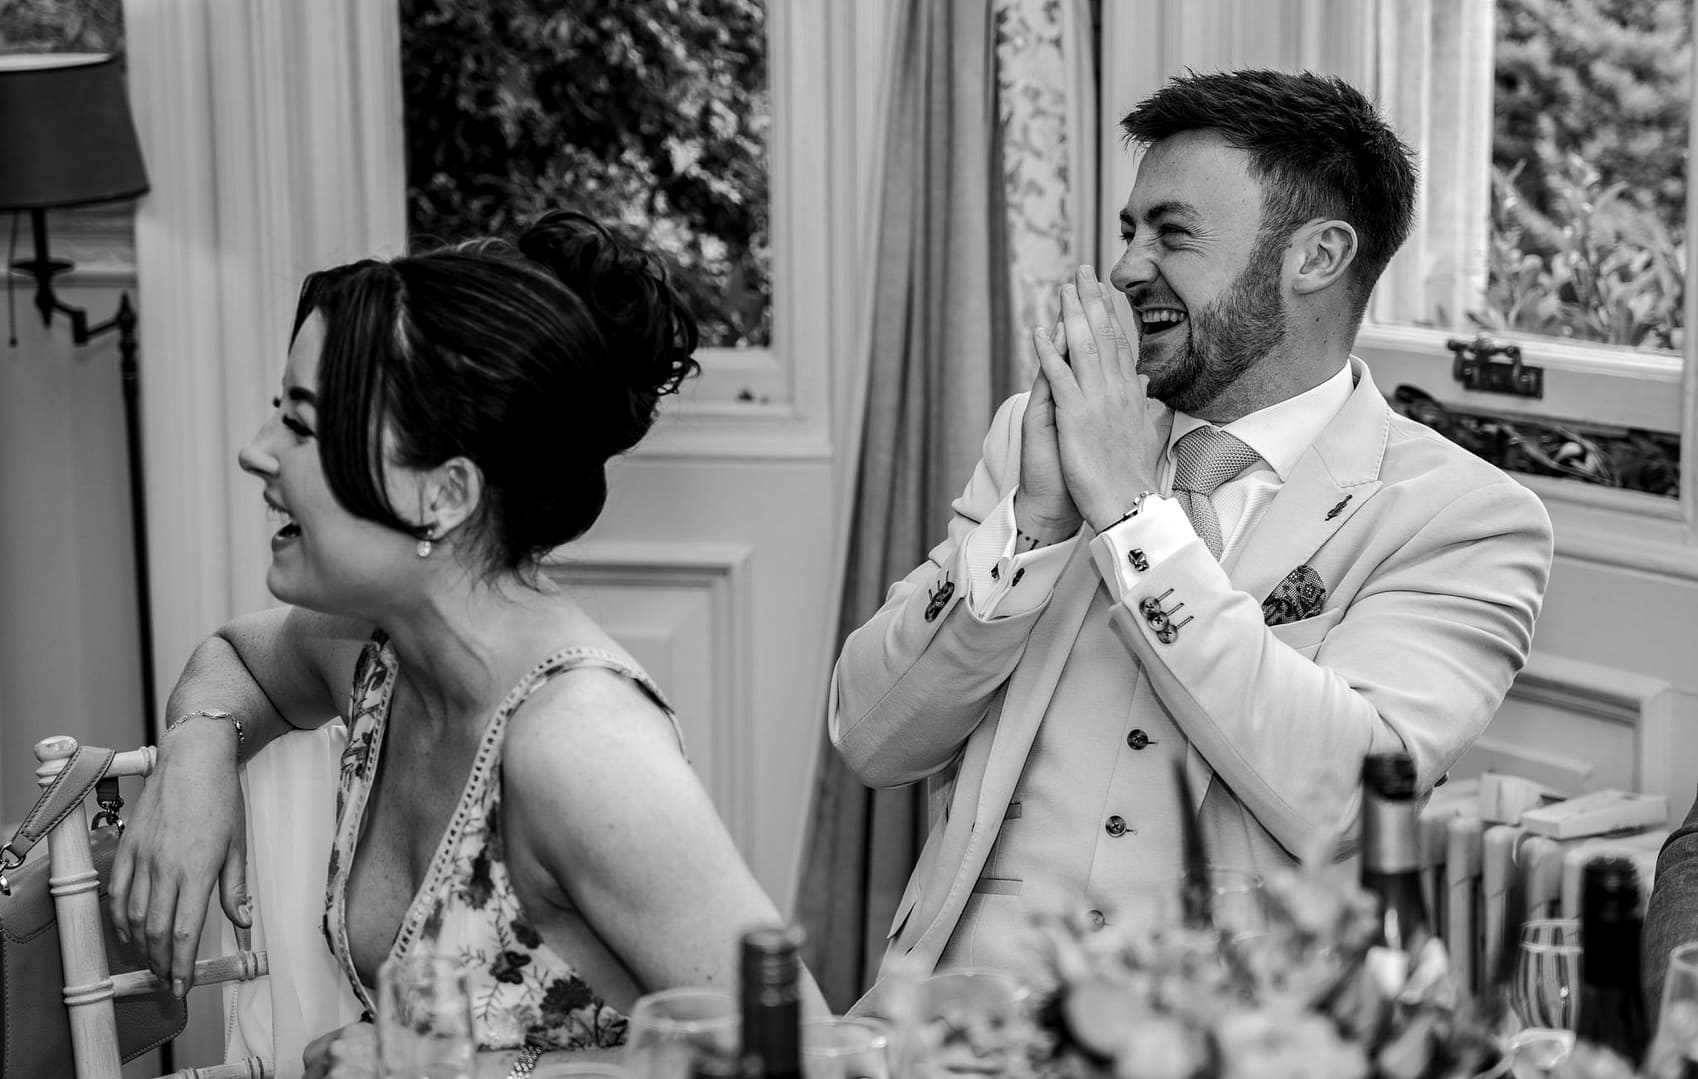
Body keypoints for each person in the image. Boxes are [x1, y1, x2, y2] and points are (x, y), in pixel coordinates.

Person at [830, 69, 1554, 984]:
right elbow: (872, 736)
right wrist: (1037, 524)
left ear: (1317, 257)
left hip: (1241, 1031)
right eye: (1130, 230)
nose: (1128, 268)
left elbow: (1345, 798)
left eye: (1171, 233)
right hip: (966, 1013)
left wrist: (1133, 518)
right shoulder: (1039, 434)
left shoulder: (1464, 516)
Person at [109, 211, 822, 1077]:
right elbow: (238, 660)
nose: (256, 454)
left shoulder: (581, 747)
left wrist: (435, 1067)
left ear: (443, 494)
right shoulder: (374, 652)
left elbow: (804, 1057)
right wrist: (198, 749)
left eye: (300, 424)